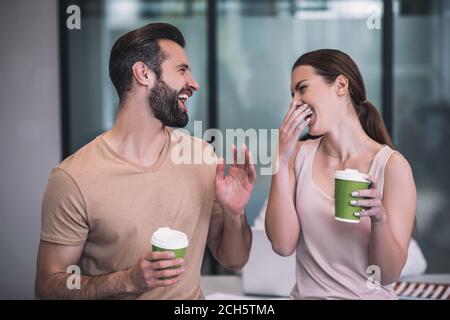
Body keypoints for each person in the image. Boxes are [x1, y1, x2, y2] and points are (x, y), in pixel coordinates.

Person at [36, 23, 255, 300]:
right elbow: (48, 287)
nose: (194, 83)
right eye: (182, 70)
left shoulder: (201, 156)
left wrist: (235, 214)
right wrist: (127, 281)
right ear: (143, 74)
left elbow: (234, 260)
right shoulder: (73, 178)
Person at [265, 49, 416, 299]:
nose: (294, 102)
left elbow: (387, 275)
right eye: (292, 94)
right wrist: (279, 161)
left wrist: (379, 219)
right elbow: (282, 244)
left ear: (341, 85)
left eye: (302, 88)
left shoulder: (392, 166)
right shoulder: (295, 156)